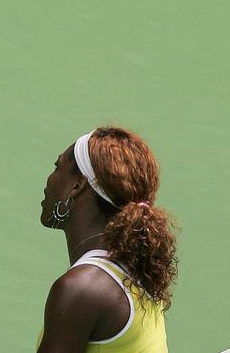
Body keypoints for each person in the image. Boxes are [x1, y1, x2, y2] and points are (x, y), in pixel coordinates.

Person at [36, 126, 178, 352]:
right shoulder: (137, 274)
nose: (49, 178)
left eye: (57, 166)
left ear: (76, 185)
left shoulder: (82, 289)